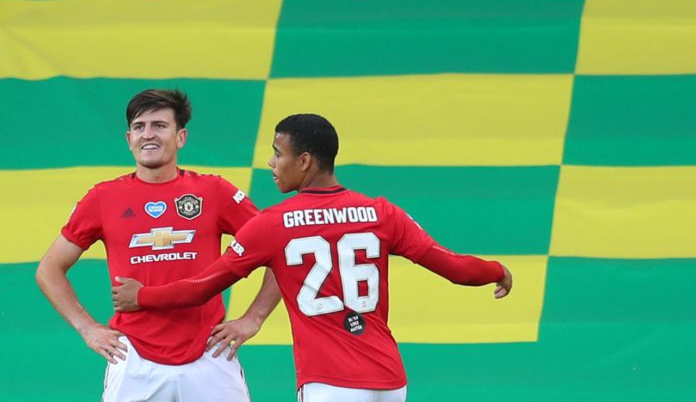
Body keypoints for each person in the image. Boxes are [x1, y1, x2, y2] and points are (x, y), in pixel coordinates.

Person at [112, 113, 513, 402]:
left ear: (304, 161)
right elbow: (456, 268)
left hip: (329, 383)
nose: (271, 163)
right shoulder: (381, 212)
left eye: (277, 153)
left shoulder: (274, 224)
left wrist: (142, 298)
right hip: (390, 381)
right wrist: (497, 270)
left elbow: (203, 286)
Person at [36, 89, 281, 402]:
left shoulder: (214, 191)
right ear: (128, 139)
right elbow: (49, 269)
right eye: (139, 127)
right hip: (132, 357)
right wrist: (87, 328)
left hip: (210, 354)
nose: (148, 135)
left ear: (181, 137)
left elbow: (279, 249)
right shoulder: (102, 197)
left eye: (159, 126)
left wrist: (254, 318)